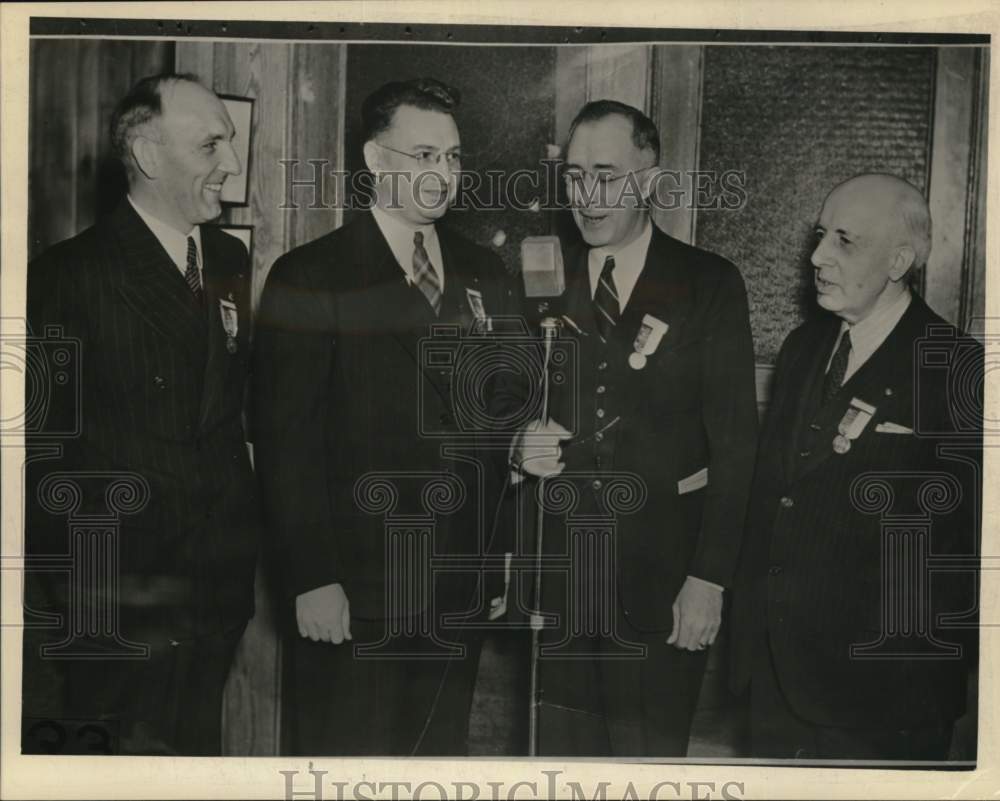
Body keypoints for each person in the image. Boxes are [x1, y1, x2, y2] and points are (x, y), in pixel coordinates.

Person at [253, 78, 510, 755]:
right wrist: (313, 577)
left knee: (437, 765)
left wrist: (499, 559)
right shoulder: (311, 276)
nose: (443, 175)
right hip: (355, 590)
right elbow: (286, 443)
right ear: (375, 160)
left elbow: (500, 429)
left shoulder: (488, 273)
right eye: (424, 155)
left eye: (453, 158)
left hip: (457, 584)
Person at [497, 99, 759, 756]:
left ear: (648, 180)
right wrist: (515, 442)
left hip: (662, 584)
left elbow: (736, 445)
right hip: (555, 582)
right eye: (576, 175)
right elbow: (499, 403)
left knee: (646, 768)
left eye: (607, 175)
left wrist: (709, 580)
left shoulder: (708, 284)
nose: (587, 196)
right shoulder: (537, 277)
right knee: (557, 765)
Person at [24, 73, 259, 755]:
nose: (231, 164)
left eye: (230, 143)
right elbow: (42, 456)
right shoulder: (68, 275)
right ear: (150, 157)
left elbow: (226, 408)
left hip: (216, 597)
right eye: (211, 144)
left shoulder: (228, 258)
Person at [729, 173, 982, 760]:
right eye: (821, 236)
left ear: (898, 261)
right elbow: (775, 498)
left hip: (883, 699)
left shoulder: (956, 368)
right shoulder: (801, 349)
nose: (818, 256)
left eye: (845, 241)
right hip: (775, 684)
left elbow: (975, 550)